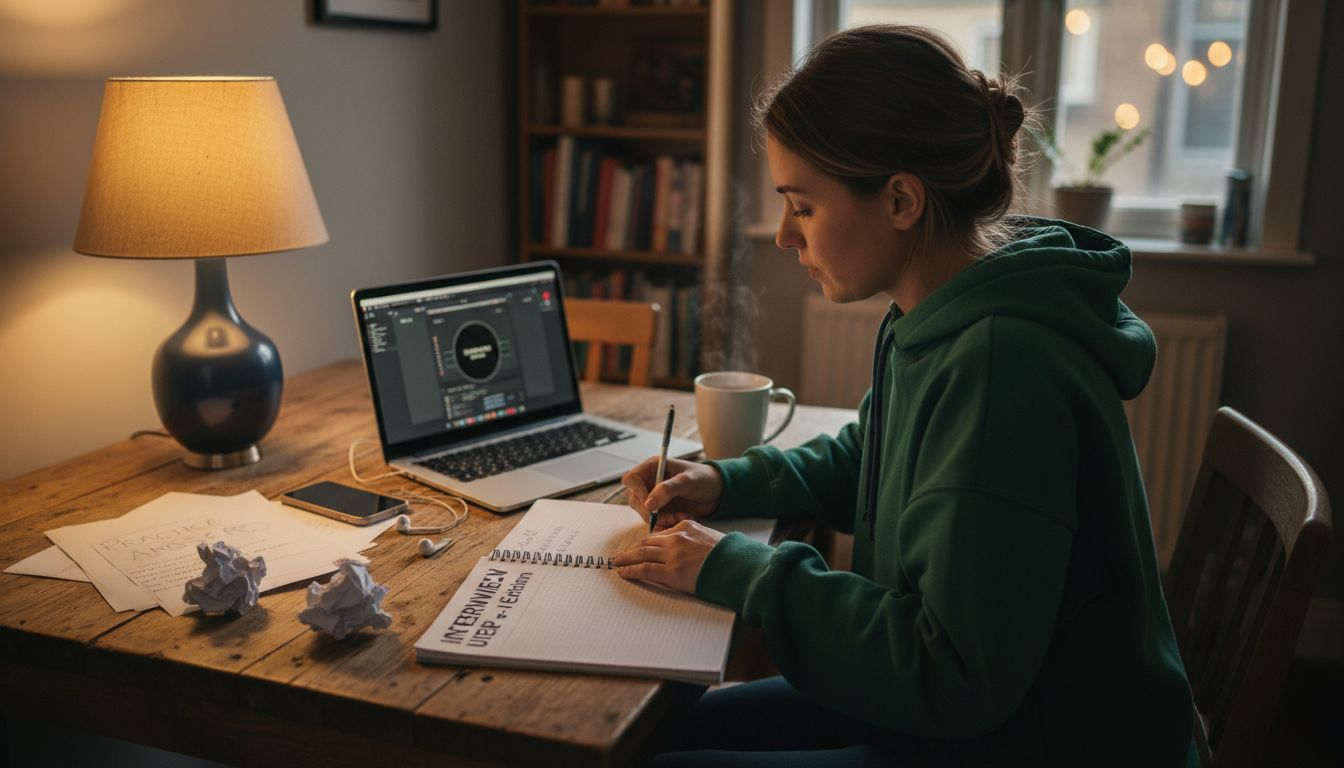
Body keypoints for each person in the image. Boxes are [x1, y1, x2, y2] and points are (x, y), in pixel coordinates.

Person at [610, 24, 1195, 768]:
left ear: (901, 200)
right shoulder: (938, 315)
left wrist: (735, 567)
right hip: (956, 713)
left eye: (803, 206)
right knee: (652, 737)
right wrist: (728, 480)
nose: (785, 236)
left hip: (1025, 741)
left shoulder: (1001, 370)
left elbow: (951, 672)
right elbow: (873, 457)